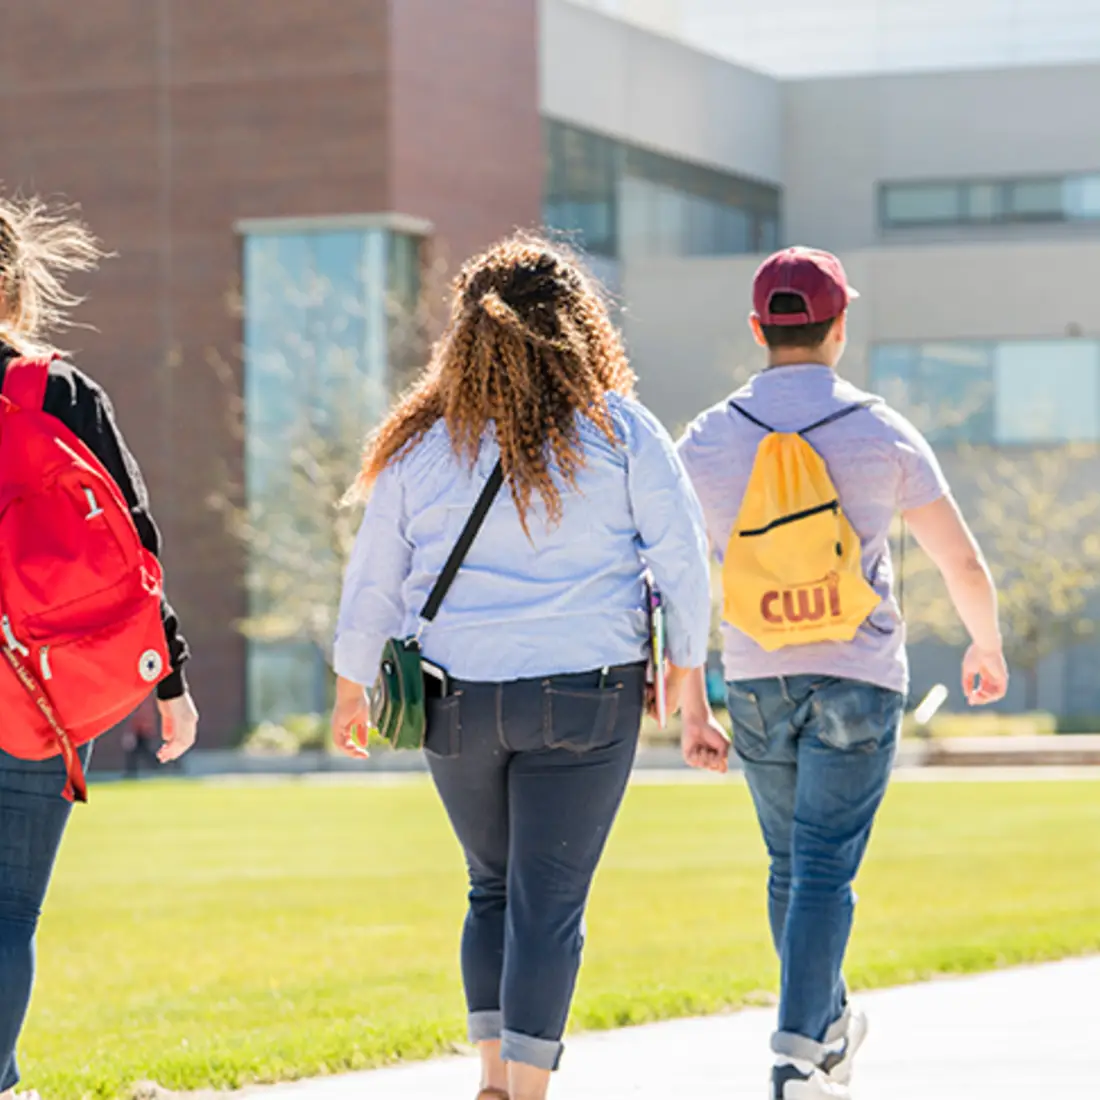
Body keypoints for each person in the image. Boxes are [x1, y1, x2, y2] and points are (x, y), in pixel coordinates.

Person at [332, 234, 714, 1100]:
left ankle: (495, 1082)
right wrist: (688, 680)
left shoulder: (419, 445)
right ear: (580, 328)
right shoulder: (619, 428)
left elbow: (373, 579)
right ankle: (524, 1096)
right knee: (550, 905)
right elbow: (684, 562)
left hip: (457, 705)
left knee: (491, 887)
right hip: (589, 696)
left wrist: (351, 685)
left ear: (461, 337)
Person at [675, 247, 1008, 1100]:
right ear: (839, 328)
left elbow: (668, 577)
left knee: (791, 868)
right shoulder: (881, 428)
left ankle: (824, 1032)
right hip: (858, 674)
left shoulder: (706, 439)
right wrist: (986, 643)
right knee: (822, 868)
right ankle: (798, 1050)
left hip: (754, 677)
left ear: (758, 329)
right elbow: (959, 560)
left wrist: (686, 698)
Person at [0, 195, 199, 1100]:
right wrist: (170, 682)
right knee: (6, 913)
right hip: (35, 690)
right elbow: (136, 549)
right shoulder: (55, 392)